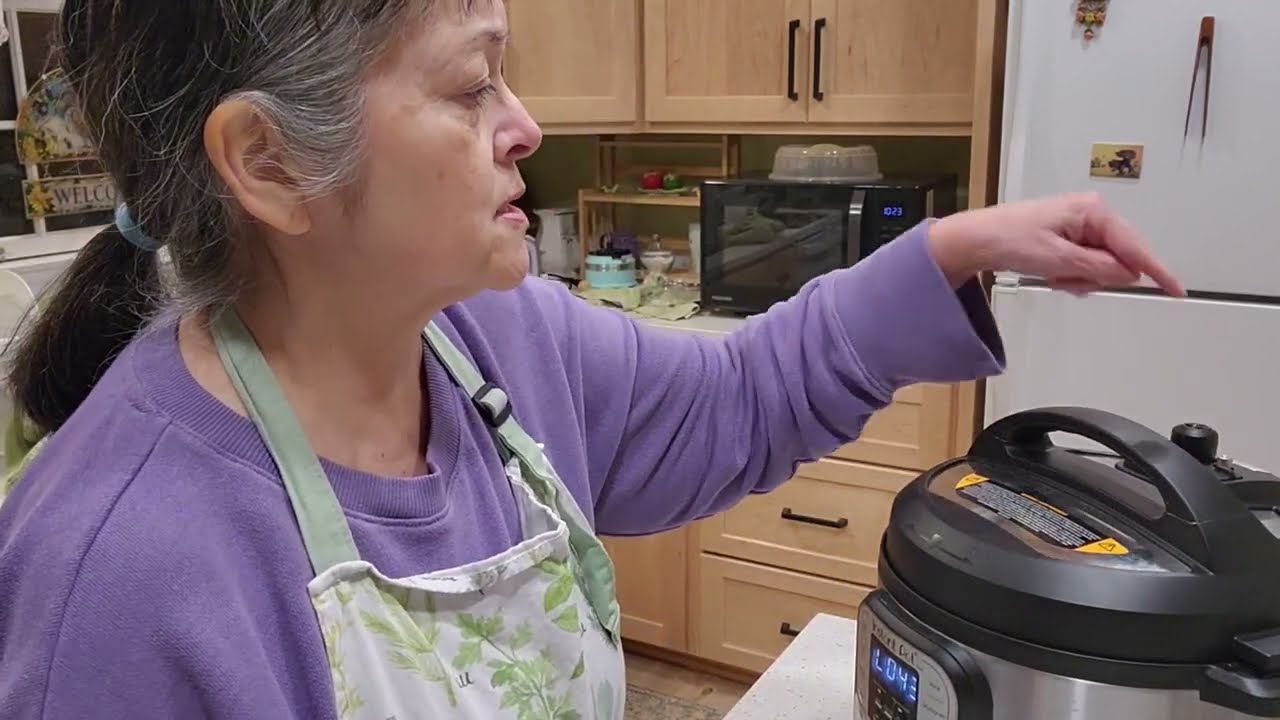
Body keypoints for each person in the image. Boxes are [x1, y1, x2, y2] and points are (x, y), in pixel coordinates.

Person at [0, 2, 1183, 719]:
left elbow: (735, 398)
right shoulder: (118, 575)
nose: (526, 125)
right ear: (266, 163)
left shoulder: (488, 340)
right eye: (470, 86)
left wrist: (941, 249)